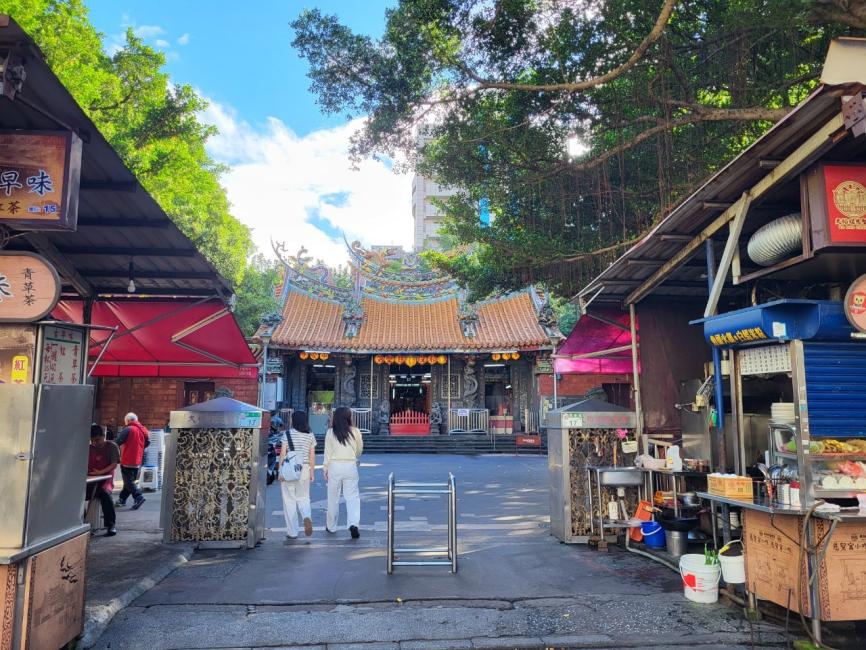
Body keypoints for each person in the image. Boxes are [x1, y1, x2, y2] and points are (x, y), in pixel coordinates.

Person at [324, 406, 363, 538]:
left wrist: (325, 468)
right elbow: (359, 450)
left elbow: (327, 454)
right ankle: (353, 523)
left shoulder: (330, 432)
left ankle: (331, 526)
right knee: (352, 497)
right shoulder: (355, 431)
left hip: (334, 466)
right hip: (350, 465)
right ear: (349, 417)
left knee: (333, 498)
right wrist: (353, 455)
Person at [279, 411, 317, 539]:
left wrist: (280, 471)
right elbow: (312, 455)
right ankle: (306, 516)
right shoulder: (310, 435)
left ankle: (292, 532)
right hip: (304, 468)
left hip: (290, 469)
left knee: (289, 500)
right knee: (304, 497)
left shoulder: (287, 434)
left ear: (294, 421)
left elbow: (283, 454)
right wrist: (312, 471)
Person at [87, 424, 120, 536]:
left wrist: (99, 473)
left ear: (103, 436)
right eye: (92, 441)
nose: (95, 443)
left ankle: (110, 525)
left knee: (106, 497)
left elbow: (114, 464)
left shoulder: (112, 446)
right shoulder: (89, 448)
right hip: (89, 479)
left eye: (97, 440)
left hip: (105, 480)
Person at [115, 412, 149, 510]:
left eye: (126, 422)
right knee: (129, 482)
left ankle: (138, 497)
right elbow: (147, 443)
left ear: (129, 421)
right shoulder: (143, 430)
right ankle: (122, 499)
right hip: (138, 460)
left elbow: (118, 441)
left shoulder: (128, 429)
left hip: (127, 459)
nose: (126, 424)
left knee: (129, 482)